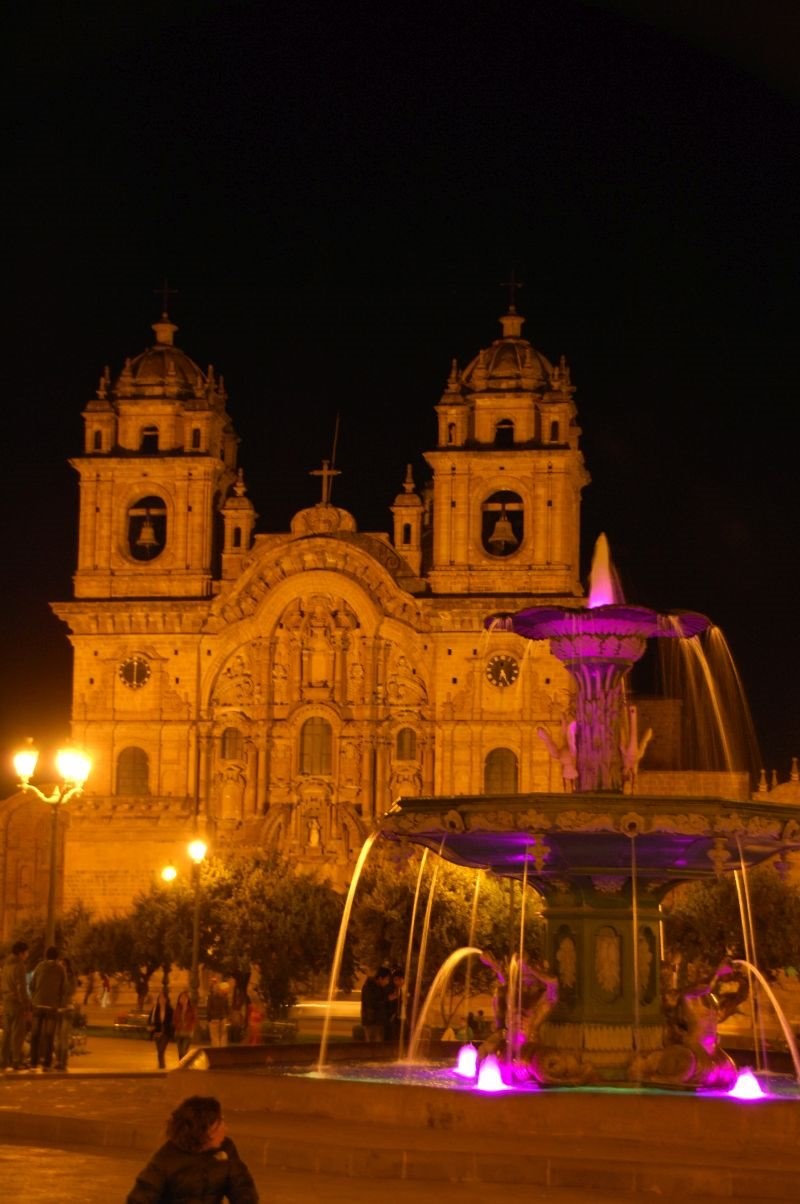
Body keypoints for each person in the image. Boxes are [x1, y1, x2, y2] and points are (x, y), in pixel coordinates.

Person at [126, 1094, 259, 1203]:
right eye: (219, 1124)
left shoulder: (226, 1149)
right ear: (203, 1132)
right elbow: (139, 1198)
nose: (225, 1129)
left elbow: (242, 1187)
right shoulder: (165, 1159)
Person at [29, 946, 67, 1072]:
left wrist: (35, 997)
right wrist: (61, 1004)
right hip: (52, 1007)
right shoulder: (60, 969)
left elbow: (31, 984)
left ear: (46, 956)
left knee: (35, 1034)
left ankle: (33, 1062)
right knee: (49, 1035)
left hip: (38, 1005)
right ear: (57, 957)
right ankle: (47, 1063)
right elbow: (63, 989)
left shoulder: (39, 967)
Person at [1, 940, 30, 1072]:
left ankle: (3, 1060)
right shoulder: (19, 966)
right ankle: (16, 1061)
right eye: (26, 952)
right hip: (16, 1003)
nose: (27, 955)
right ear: (20, 953)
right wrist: (26, 1004)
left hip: (6, 1001)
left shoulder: (6, 965)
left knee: (7, 1033)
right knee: (17, 1034)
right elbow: (21, 987)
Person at [55, 955, 77, 1071]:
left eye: (63, 964)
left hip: (67, 1010)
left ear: (67, 967)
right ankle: (58, 1060)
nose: (61, 966)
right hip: (58, 1010)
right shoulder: (57, 977)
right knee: (58, 1037)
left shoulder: (70, 978)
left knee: (64, 1037)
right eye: (60, 964)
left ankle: (63, 1061)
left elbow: (68, 992)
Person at [360, 966, 390, 1042]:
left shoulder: (380, 987)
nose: (387, 982)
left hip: (378, 1020)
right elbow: (370, 1003)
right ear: (380, 978)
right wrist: (387, 999)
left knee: (378, 1044)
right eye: (386, 979)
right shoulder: (369, 987)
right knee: (373, 1044)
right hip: (371, 1021)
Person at [147, 988, 174, 1069]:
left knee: (161, 1050)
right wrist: (150, 1027)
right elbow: (150, 1019)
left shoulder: (170, 1010)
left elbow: (172, 1021)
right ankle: (161, 1065)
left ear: (166, 999)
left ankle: (161, 1066)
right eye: (160, 998)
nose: (161, 1000)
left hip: (166, 1033)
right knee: (159, 1051)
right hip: (157, 1032)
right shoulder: (155, 1009)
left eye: (163, 998)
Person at [173, 990, 197, 1061]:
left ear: (187, 999)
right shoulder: (177, 1009)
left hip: (187, 1033)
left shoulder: (191, 1009)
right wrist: (178, 1025)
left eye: (184, 998)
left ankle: (184, 1065)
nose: (183, 1000)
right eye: (181, 998)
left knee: (184, 1051)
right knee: (180, 1052)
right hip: (178, 1033)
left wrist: (189, 1026)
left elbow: (194, 1019)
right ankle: (182, 1065)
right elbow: (174, 1019)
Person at [206, 978, 229, 1046]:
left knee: (214, 1036)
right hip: (223, 1018)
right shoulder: (224, 997)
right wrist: (226, 1017)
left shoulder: (211, 997)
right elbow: (227, 1008)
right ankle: (222, 1049)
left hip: (214, 1018)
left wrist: (208, 1018)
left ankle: (216, 1050)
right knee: (223, 1035)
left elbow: (209, 1008)